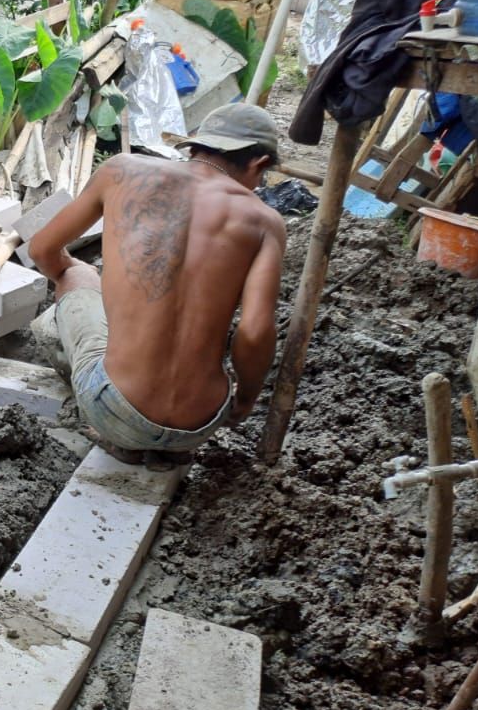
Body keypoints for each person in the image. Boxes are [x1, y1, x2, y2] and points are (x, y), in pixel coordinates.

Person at [27, 103, 287, 467]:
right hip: (201, 424)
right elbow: (256, 331)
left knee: (78, 275)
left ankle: (115, 422)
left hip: (114, 409)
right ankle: (160, 446)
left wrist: (72, 279)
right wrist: (244, 401)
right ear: (258, 164)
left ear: (196, 146)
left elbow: (41, 249)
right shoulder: (266, 221)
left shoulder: (121, 171)